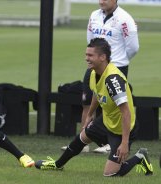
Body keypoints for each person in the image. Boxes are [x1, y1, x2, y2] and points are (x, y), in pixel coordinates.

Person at [36, 38, 153, 176]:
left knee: (109, 175)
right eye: (86, 55)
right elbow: (97, 94)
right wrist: (90, 114)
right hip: (106, 120)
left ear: (103, 57)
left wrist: (125, 142)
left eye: (90, 55)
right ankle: (57, 164)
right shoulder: (93, 73)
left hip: (122, 129)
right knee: (82, 138)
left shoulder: (113, 79)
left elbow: (126, 113)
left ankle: (140, 156)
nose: (86, 58)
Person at [61, 0, 139, 153]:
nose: (101, 1)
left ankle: (109, 144)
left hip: (115, 67)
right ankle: (83, 142)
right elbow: (91, 39)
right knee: (87, 102)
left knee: (112, 106)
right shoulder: (94, 15)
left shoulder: (125, 18)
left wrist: (118, 61)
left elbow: (133, 47)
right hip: (95, 66)